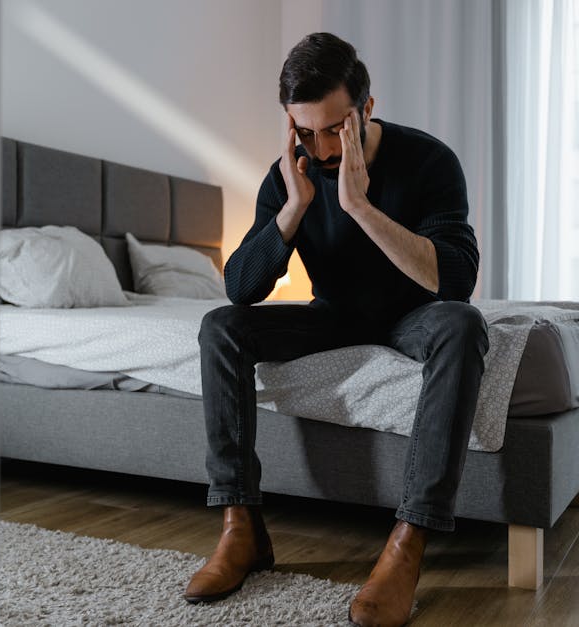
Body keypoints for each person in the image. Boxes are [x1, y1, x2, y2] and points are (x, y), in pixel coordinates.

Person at [184, 32, 489, 627]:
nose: (320, 149)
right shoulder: (288, 176)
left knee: (463, 324)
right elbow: (240, 288)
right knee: (220, 327)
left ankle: (408, 541)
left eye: (333, 129)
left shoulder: (429, 161)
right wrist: (293, 208)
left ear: (365, 109)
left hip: (413, 315)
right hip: (333, 314)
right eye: (304, 132)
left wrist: (360, 208)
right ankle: (240, 528)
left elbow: (455, 280)